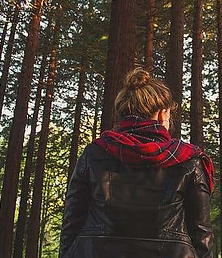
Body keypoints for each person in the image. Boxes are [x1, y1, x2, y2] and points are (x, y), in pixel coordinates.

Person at [59, 68, 214, 258]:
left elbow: (72, 222)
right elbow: (201, 235)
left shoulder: (94, 153)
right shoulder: (189, 160)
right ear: (162, 114)